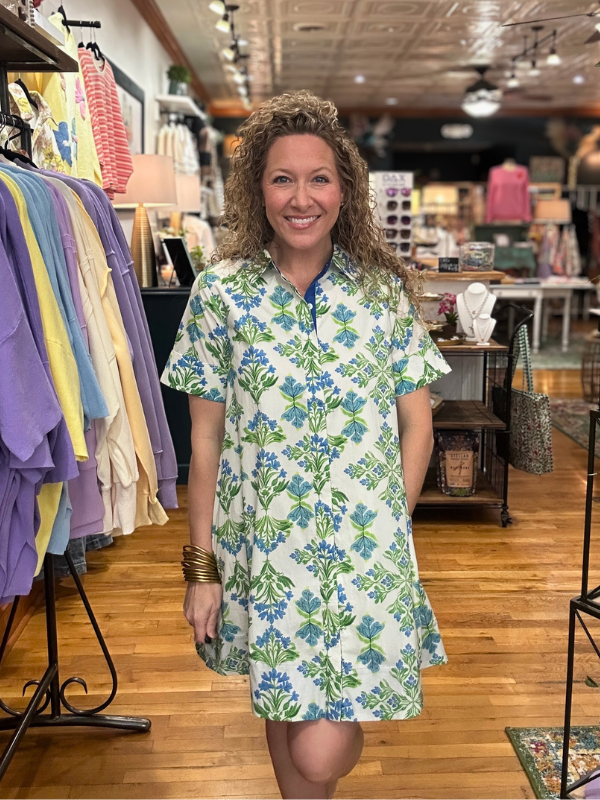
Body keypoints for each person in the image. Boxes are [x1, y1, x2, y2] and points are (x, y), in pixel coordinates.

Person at [161, 90, 451, 799]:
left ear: (343, 190)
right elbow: (205, 439)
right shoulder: (221, 295)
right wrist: (200, 570)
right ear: (257, 189)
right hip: (265, 552)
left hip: (363, 554)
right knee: (283, 704)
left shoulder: (382, 294)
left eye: (318, 178)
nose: (300, 198)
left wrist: (391, 527)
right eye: (282, 179)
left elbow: (418, 424)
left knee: (319, 751)